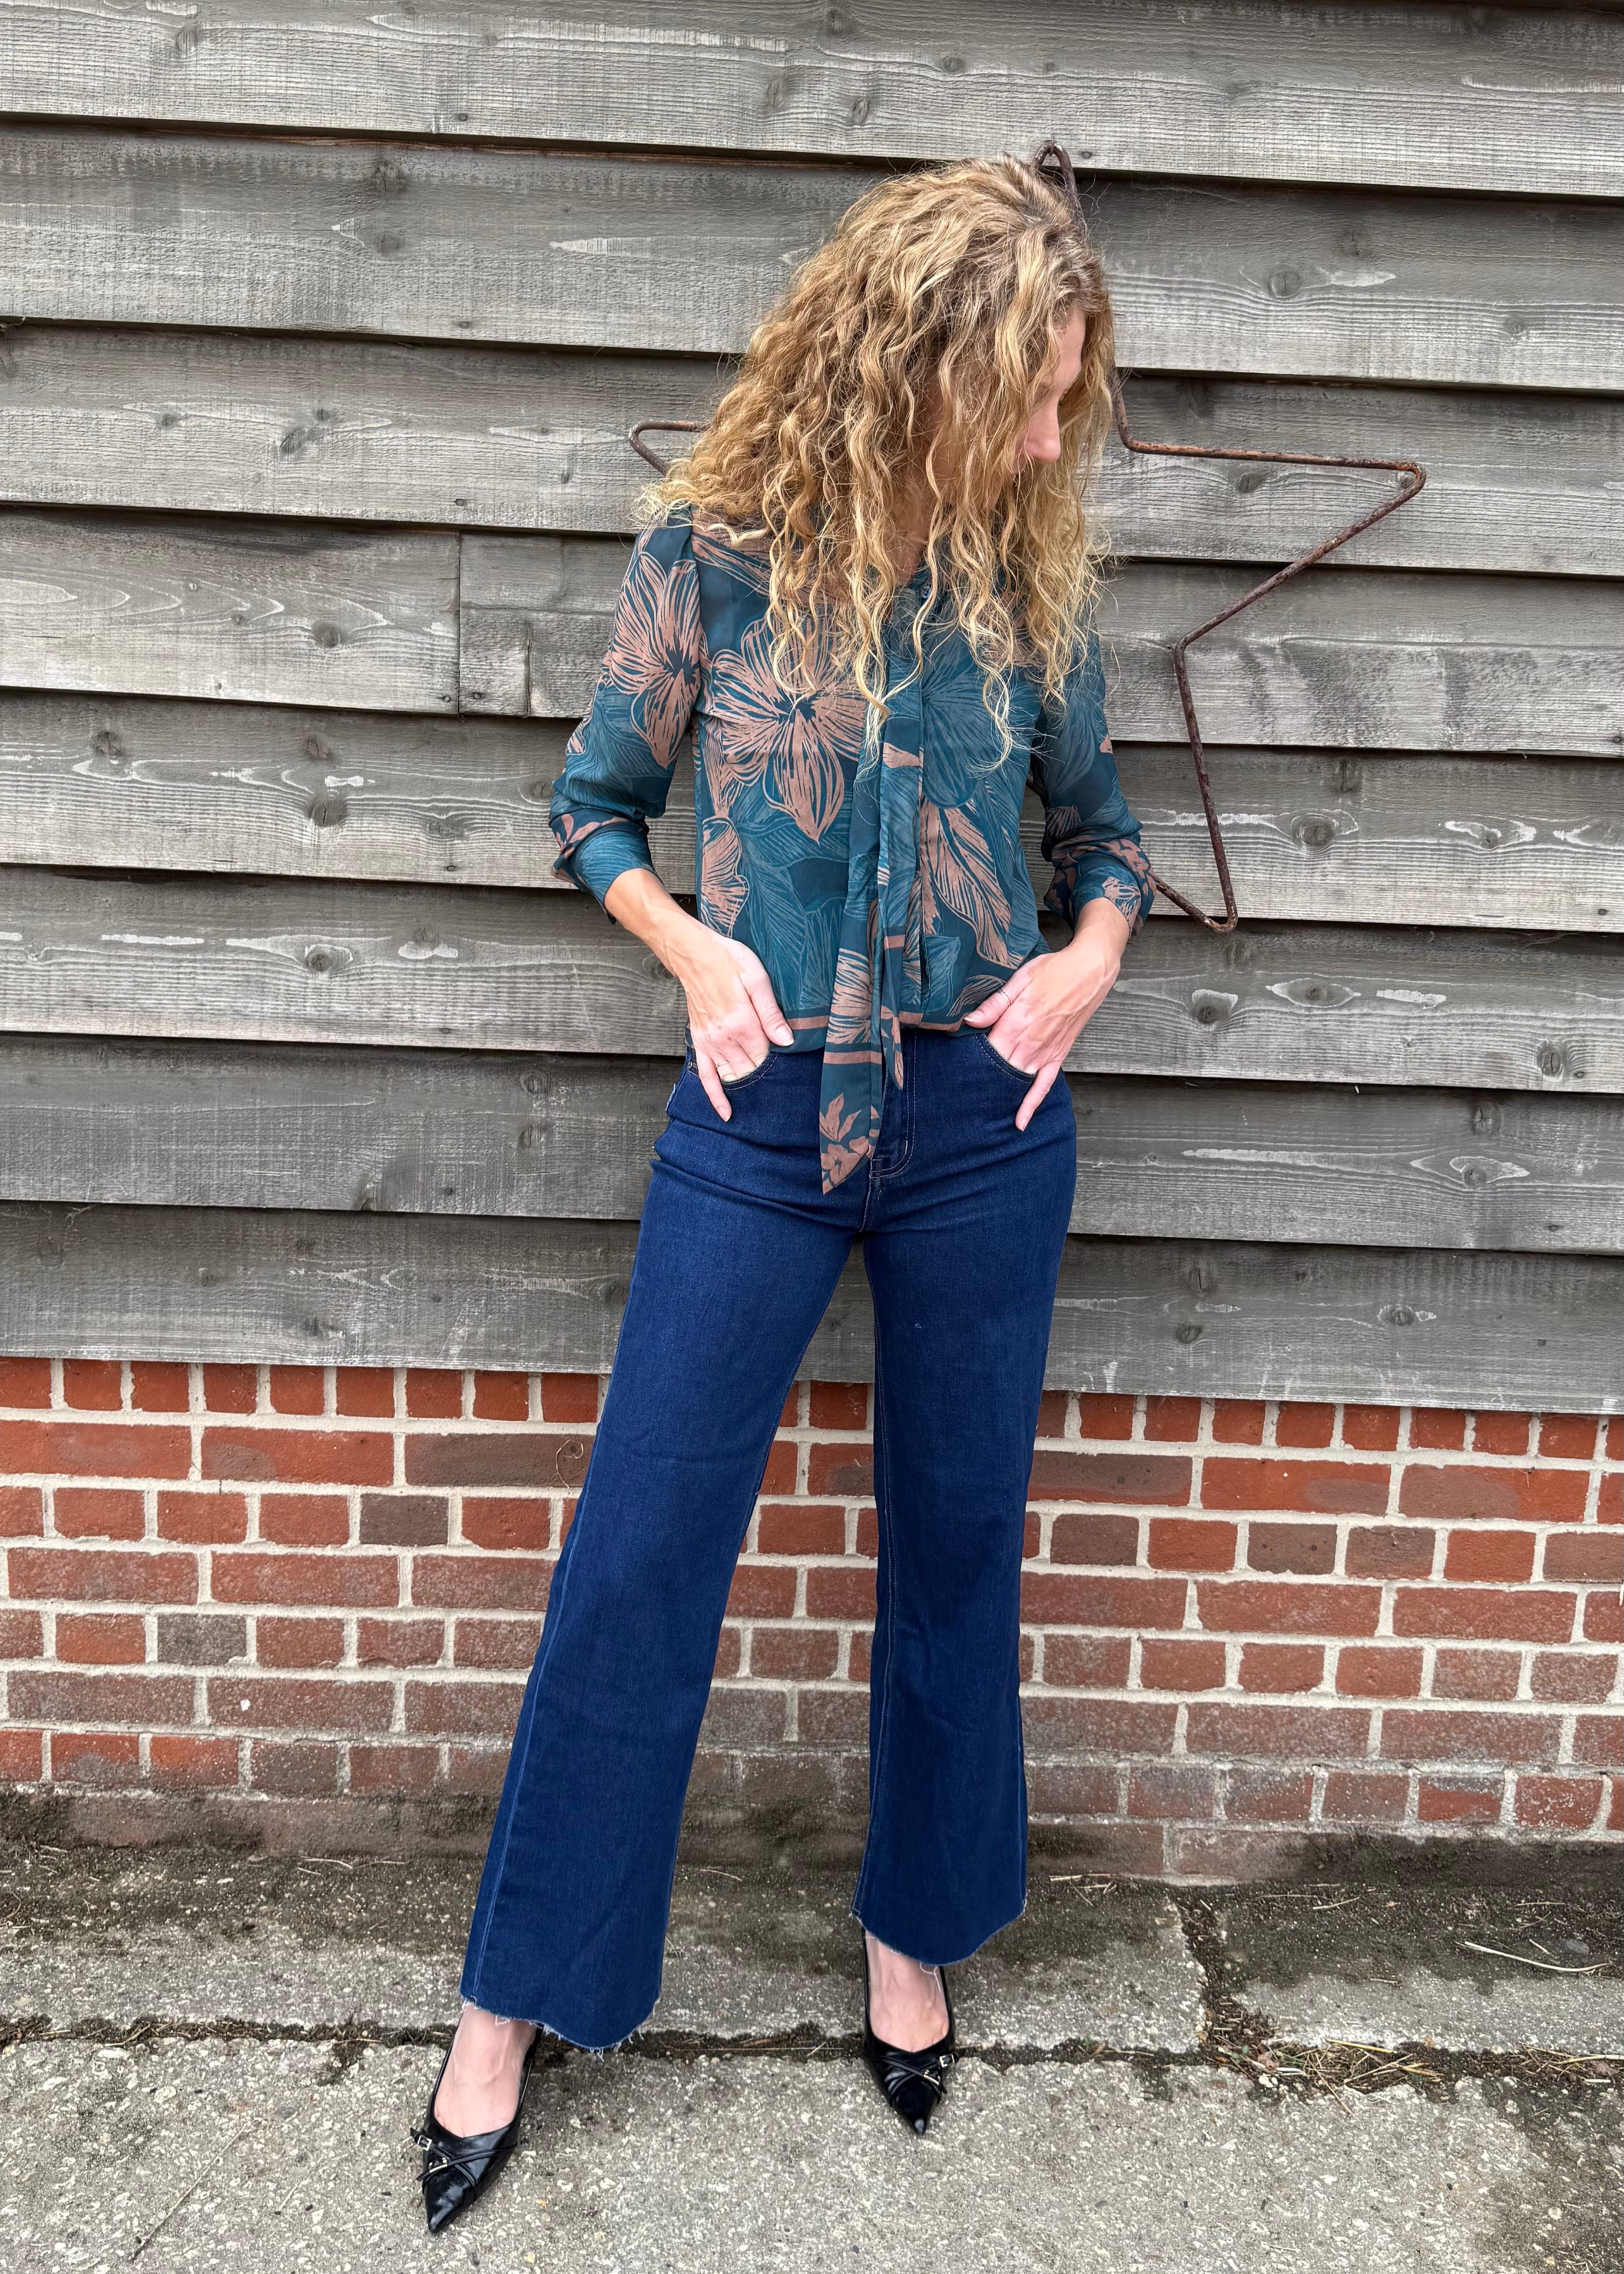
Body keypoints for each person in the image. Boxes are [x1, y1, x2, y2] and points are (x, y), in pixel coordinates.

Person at [412, 152, 1153, 2233]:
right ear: (918, 357)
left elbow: (1106, 842)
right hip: (755, 1116)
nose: (1041, 434)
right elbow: (589, 808)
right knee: (641, 1544)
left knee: (957, 1542)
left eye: (1065, 400)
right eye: (1022, 389)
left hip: (979, 1129)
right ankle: (512, 1999)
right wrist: (693, 946)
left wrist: (1084, 970)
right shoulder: (714, 561)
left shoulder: (1028, 594)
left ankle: (909, 1939)